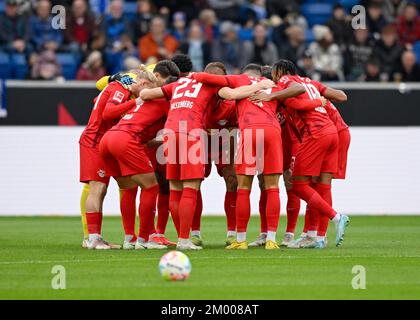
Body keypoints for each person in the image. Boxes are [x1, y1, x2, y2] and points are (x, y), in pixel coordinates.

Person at [190, 64, 307, 249]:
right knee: (273, 187)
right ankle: (271, 239)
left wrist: (193, 74)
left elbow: (208, 79)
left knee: (243, 188)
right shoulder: (273, 84)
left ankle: (241, 240)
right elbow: (298, 89)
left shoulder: (239, 80)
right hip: (272, 131)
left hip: (250, 130)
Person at [249, 60, 350, 248]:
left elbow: (297, 93)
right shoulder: (311, 82)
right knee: (321, 186)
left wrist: (272, 97)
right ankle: (318, 237)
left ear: (280, 72)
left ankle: (335, 218)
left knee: (299, 184)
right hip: (333, 133)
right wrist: (318, 100)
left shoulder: (287, 82)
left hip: (318, 133)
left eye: (274, 75)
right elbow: (342, 96)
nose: (275, 80)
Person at [99, 66, 178, 250]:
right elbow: (175, 129)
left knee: (128, 188)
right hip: (125, 140)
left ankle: (129, 239)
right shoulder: (166, 102)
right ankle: (144, 239)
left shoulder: (143, 100)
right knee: (151, 188)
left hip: (109, 138)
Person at [79, 72, 142, 249]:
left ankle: (95, 237)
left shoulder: (117, 88)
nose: (143, 94)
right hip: (94, 141)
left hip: (103, 141)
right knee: (97, 188)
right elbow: (107, 113)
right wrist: (135, 102)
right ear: (137, 82)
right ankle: (92, 238)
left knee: (105, 189)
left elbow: (97, 102)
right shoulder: (120, 89)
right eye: (143, 88)